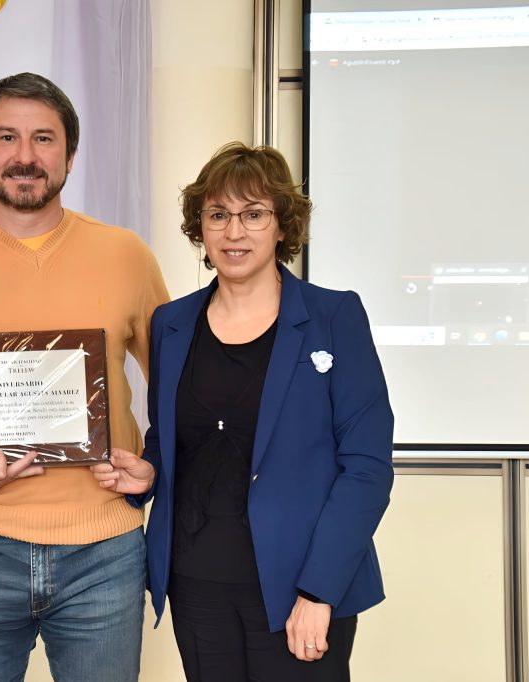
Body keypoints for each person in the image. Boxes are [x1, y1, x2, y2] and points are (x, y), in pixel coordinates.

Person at [0, 73, 169, 681]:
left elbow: (178, 390)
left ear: (70, 152)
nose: (25, 156)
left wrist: (155, 466)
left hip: (105, 548)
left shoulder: (126, 256)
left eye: (43, 138)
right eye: (8, 137)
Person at [93, 142, 394, 681]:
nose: (235, 232)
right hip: (196, 583)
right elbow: (171, 437)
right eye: (218, 215)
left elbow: (367, 469)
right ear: (200, 229)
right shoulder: (172, 323)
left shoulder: (334, 316)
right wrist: (145, 473)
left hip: (299, 586)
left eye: (254, 214)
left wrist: (319, 591)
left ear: (282, 225)